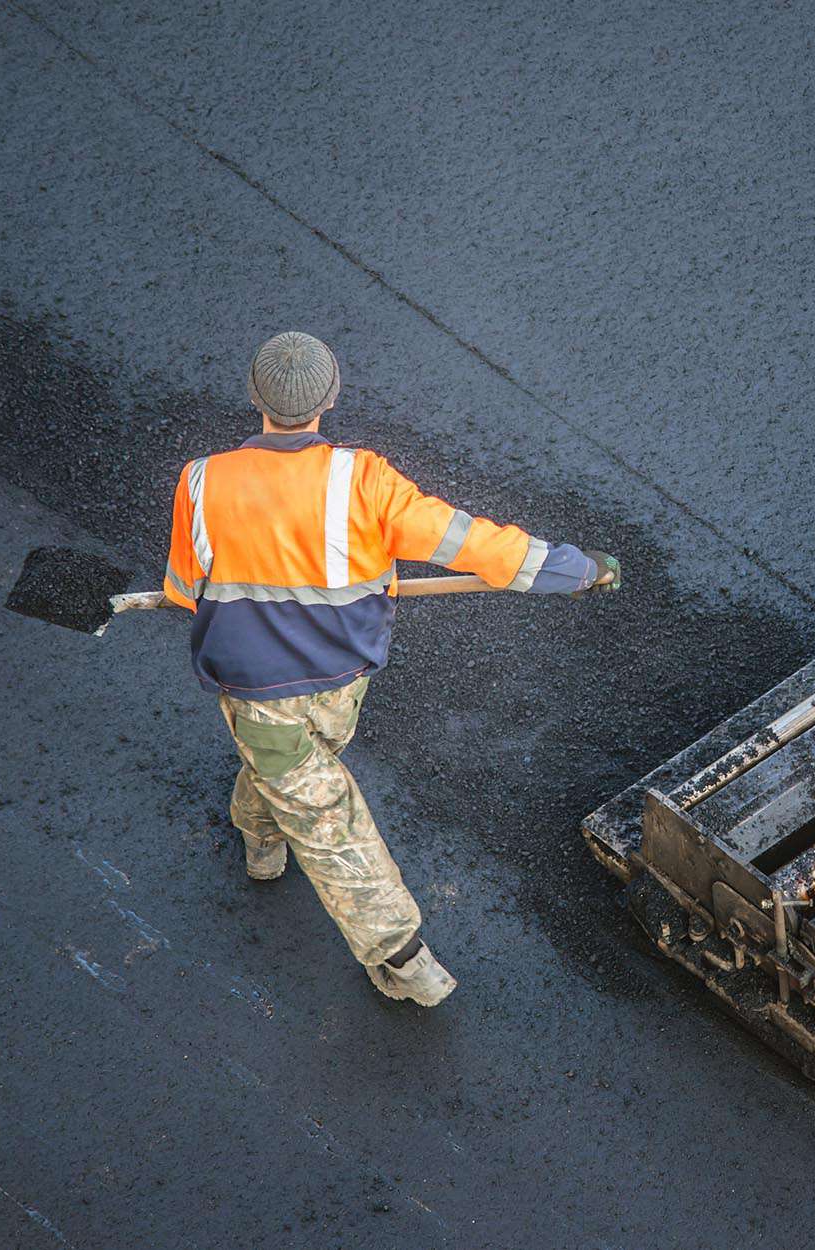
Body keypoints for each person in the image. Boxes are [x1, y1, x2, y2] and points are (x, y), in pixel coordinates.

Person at [163, 331, 620, 1006]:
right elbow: (475, 544)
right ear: (331, 397)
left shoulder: (200, 481)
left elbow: (181, 588)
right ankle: (401, 957)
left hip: (256, 691)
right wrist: (575, 570)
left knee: (295, 774)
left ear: (255, 398)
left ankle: (260, 836)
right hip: (343, 679)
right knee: (327, 816)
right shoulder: (364, 480)